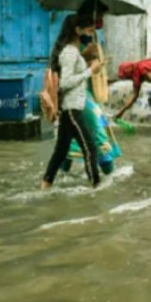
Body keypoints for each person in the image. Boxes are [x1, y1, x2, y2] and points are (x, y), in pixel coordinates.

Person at [41, 15, 103, 190]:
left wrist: (89, 62)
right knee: (90, 149)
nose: (91, 35)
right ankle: (96, 188)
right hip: (72, 110)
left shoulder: (73, 52)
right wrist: (90, 71)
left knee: (60, 152)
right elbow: (65, 83)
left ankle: (44, 187)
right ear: (78, 30)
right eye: (89, 31)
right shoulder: (69, 52)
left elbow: (73, 72)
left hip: (71, 110)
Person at [61, 3, 121, 175]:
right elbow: (66, 74)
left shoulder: (90, 39)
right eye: (99, 16)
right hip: (77, 96)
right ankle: (109, 175)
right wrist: (85, 59)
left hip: (86, 93)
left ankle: (59, 176)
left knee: (72, 135)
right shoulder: (71, 45)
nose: (100, 21)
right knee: (97, 131)